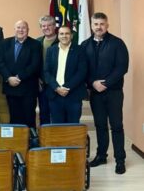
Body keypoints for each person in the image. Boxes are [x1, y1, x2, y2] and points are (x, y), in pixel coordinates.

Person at [81, 12, 129, 174]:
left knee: (116, 126)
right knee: (100, 125)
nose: (99, 27)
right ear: (92, 26)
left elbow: (122, 67)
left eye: (102, 24)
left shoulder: (117, 43)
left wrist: (106, 84)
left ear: (107, 25)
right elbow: (82, 70)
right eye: (96, 24)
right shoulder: (84, 45)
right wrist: (92, 83)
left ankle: (120, 160)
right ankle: (101, 155)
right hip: (95, 93)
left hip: (114, 92)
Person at [0, 20, 42, 128]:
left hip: (28, 88)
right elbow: (0, 62)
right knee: (14, 118)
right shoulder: (5, 43)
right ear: (14, 29)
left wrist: (18, 77)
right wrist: (8, 77)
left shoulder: (35, 44)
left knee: (29, 118)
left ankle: (31, 142)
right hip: (10, 88)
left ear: (28, 30)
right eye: (18, 27)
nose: (21, 30)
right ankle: (16, 142)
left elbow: (34, 65)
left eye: (23, 28)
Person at [44, 26, 87, 123]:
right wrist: (57, 88)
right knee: (57, 127)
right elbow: (46, 71)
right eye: (61, 34)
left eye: (67, 33)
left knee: (73, 127)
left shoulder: (80, 50)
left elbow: (82, 72)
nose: (64, 36)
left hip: (73, 94)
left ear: (71, 35)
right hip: (55, 95)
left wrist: (66, 87)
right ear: (58, 36)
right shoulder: (51, 50)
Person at [36, 15, 59, 125]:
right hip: (42, 84)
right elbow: (35, 63)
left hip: (57, 84)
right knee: (43, 114)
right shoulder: (37, 42)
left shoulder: (61, 40)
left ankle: (56, 140)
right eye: (43, 26)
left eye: (49, 25)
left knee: (57, 114)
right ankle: (44, 140)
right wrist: (37, 78)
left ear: (54, 26)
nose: (46, 28)